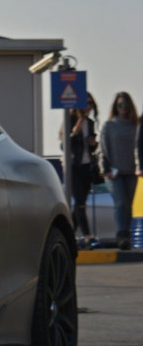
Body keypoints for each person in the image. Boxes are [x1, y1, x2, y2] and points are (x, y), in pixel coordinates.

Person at [99, 91, 139, 249]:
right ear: (116, 107)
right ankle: (121, 234)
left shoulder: (135, 125)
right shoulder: (109, 125)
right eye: (120, 105)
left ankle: (127, 235)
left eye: (125, 104)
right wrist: (105, 168)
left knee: (128, 204)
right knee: (120, 202)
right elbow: (103, 149)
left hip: (131, 171)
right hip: (113, 173)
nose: (123, 107)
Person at [62, 95, 99, 248]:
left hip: (87, 166)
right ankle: (87, 236)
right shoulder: (70, 119)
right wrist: (78, 124)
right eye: (86, 103)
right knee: (80, 203)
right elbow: (66, 143)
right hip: (74, 166)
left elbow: (91, 147)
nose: (88, 107)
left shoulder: (90, 123)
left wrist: (93, 144)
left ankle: (67, 235)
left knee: (80, 203)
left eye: (90, 104)